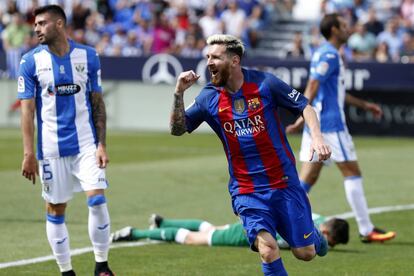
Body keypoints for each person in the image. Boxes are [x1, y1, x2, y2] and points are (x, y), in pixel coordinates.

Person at [170, 33, 332, 276]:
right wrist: (178, 94)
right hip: (247, 190)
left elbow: (305, 107)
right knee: (268, 249)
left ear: (234, 61)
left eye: (215, 57)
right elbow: (177, 129)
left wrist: (317, 137)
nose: (209, 62)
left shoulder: (265, 84)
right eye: (207, 57)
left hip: (284, 184)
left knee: (305, 253)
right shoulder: (208, 97)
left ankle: (315, 236)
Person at [18, 5, 114, 276]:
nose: (36, 28)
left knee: (97, 199)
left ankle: (102, 267)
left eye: (42, 23)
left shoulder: (89, 56)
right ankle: (66, 271)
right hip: (50, 149)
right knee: (56, 208)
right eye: (35, 24)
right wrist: (28, 153)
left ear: (59, 24)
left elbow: (97, 103)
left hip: (86, 144)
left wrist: (102, 144)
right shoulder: (30, 62)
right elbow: (26, 111)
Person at [285, 13, 396, 244]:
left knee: (308, 177)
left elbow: (334, 92)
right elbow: (313, 83)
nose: (349, 29)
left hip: (316, 124)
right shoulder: (329, 54)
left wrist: (365, 105)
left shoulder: (327, 53)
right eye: (344, 26)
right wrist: (301, 113)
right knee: (352, 172)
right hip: (330, 126)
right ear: (334, 30)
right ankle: (366, 229)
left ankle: (284, 221)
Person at [111, 213, 350, 250]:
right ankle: (136, 232)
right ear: (327, 233)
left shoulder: (314, 215)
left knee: (211, 227)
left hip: (256, 221)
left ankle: (164, 222)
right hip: (249, 233)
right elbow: (286, 243)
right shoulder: (308, 236)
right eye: (332, 242)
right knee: (195, 239)